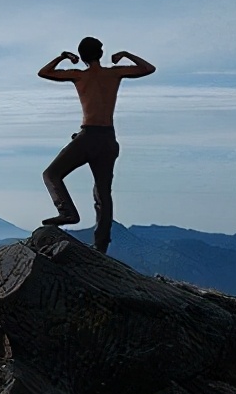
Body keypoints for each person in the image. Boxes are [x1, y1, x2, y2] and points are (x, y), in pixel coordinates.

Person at [38, 36, 155, 253]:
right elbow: (148, 68)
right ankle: (101, 246)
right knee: (103, 193)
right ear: (101, 54)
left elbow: (44, 72)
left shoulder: (79, 75)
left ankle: (67, 213)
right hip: (108, 139)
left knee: (51, 174)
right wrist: (125, 54)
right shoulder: (114, 73)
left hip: (88, 136)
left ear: (81, 56)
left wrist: (63, 57)